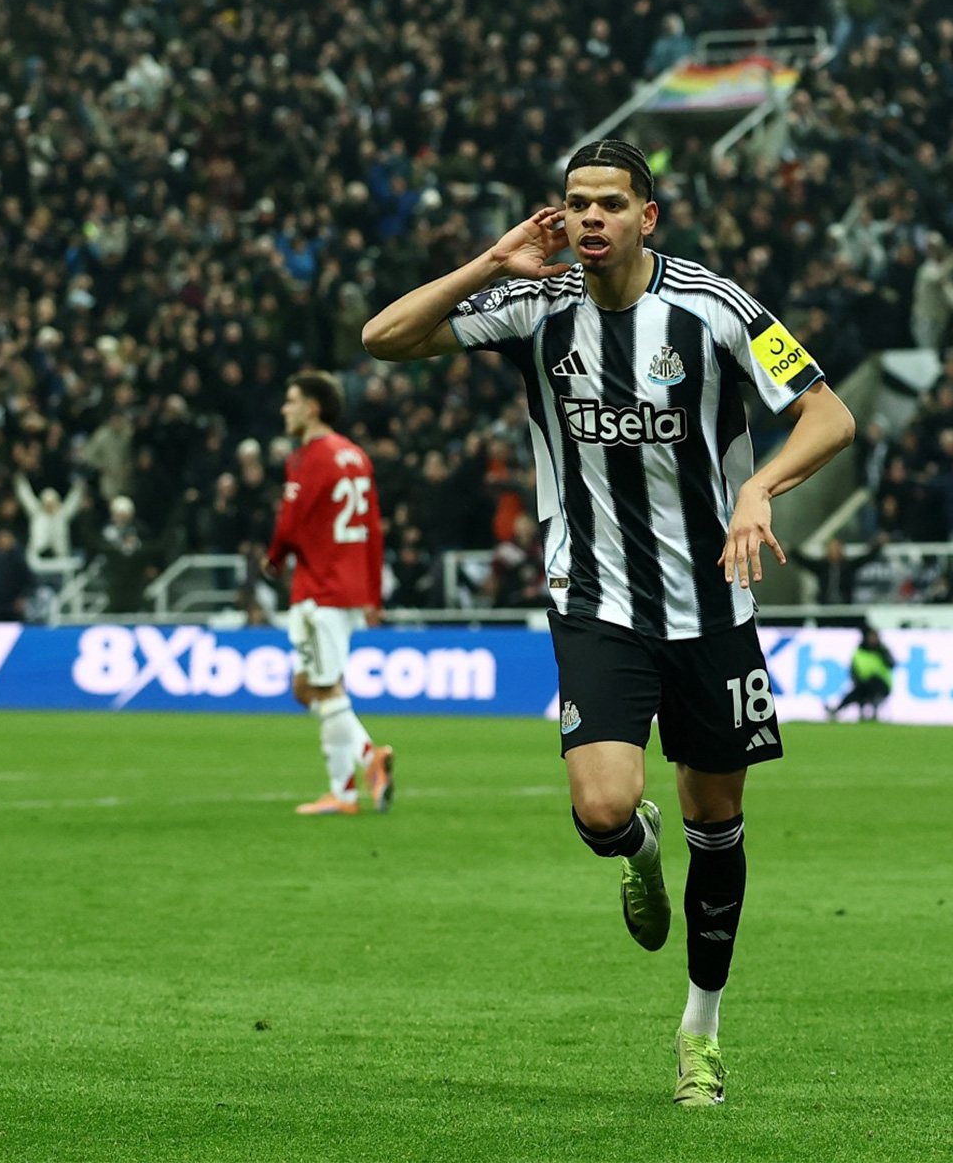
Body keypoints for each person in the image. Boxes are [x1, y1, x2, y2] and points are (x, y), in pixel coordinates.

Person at [360, 138, 855, 1106]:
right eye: (576, 203)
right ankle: (636, 851)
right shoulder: (535, 304)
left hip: (712, 606)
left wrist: (758, 488)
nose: (589, 219)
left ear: (646, 216)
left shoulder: (714, 308)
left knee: (720, 824)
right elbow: (384, 337)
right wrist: (487, 265)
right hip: (594, 601)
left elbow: (829, 414)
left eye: (609, 204)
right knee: (600, 807)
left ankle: (699, 1033)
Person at [265, 370, 394, 816]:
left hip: (318, 588)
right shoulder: (356, 456)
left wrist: (274, 556)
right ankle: (343, 794)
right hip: (347, 585)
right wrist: (373, 594)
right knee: (306, 686)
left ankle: (368, 760)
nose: (286, 409)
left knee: (324, 685)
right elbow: (373, 530)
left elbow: (290, 523)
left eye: (292, 400)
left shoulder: (307, 458)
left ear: (312, 407)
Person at [827, 628, 895, 720]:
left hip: (882, 684)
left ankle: (872, 713)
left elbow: (892, 664)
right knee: (855, 692)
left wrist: (883, 654)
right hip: (863, 684)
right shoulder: (859, 652)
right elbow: (853, 670)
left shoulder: (882, 650)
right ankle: (836, 710)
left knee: (873, 681)